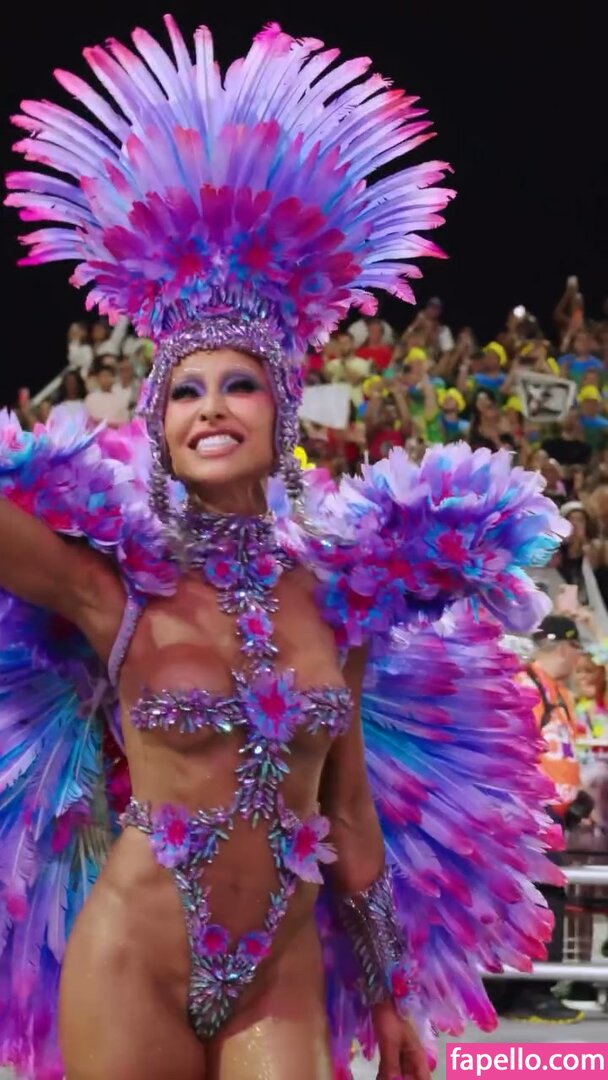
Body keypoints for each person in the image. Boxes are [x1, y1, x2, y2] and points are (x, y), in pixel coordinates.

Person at [2, 16, 569, 1080]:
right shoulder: (116, 588)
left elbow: (347, 815)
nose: (210, 407)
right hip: (131, 959)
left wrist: (392, 998)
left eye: (239, 384)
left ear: (283, 408)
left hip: (281, 966)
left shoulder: (339, 599)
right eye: (184, 391)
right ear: (158, 421)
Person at [501, 617, 585, 1023]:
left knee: (549, 897)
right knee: (538, 898)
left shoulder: (558, 692)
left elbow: (558, 755)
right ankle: (528, 991)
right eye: (577, 649)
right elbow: (508, 748)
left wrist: (577, 801)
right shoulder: (527, 686)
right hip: (529, 814)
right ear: (567, 648)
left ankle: (528, 988)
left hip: (554, 816)